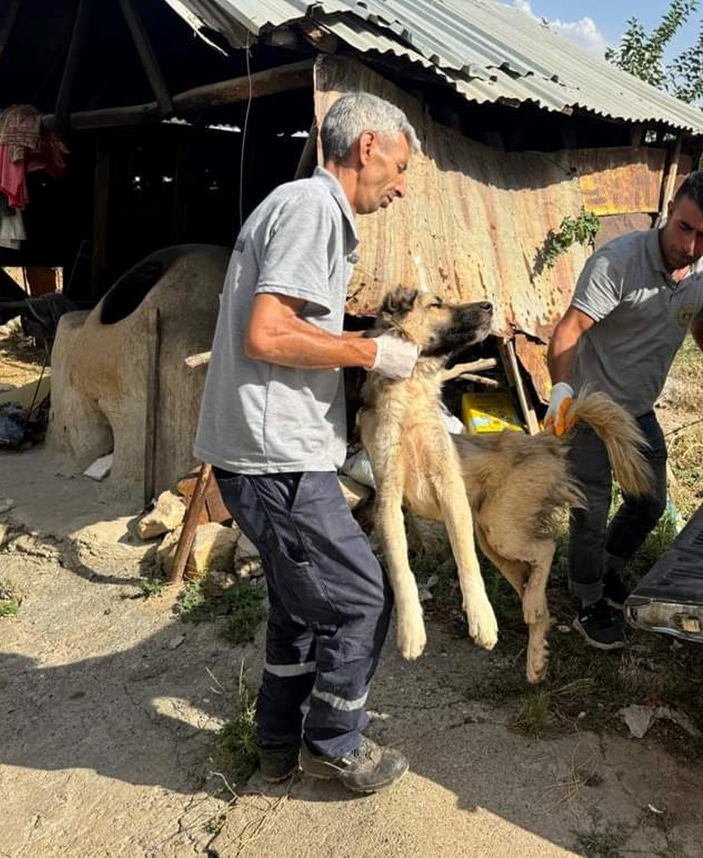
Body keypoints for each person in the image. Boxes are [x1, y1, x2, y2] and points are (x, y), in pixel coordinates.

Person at [193, 93, 421, 793]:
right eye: (401, 166)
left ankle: (275, 744)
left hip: (268, 453)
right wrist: (366, 352)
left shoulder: (303, 210)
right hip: (276, 460)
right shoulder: (313, 209)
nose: (402, 184)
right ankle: (333, 740)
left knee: (297, 610)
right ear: (367, 149)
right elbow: (268, 334)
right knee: (360, 597)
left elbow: (280, 330)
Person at [544, 170, 703, 650]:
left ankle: (604, 571)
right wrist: (562, 389)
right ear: (671, 211)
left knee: (648, 503)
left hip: (638, 410)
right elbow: (568, 330)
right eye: (684, 228)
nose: (689, 245)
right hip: (588, 408)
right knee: (590, 510)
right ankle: (586, 601)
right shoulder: (617, 262)